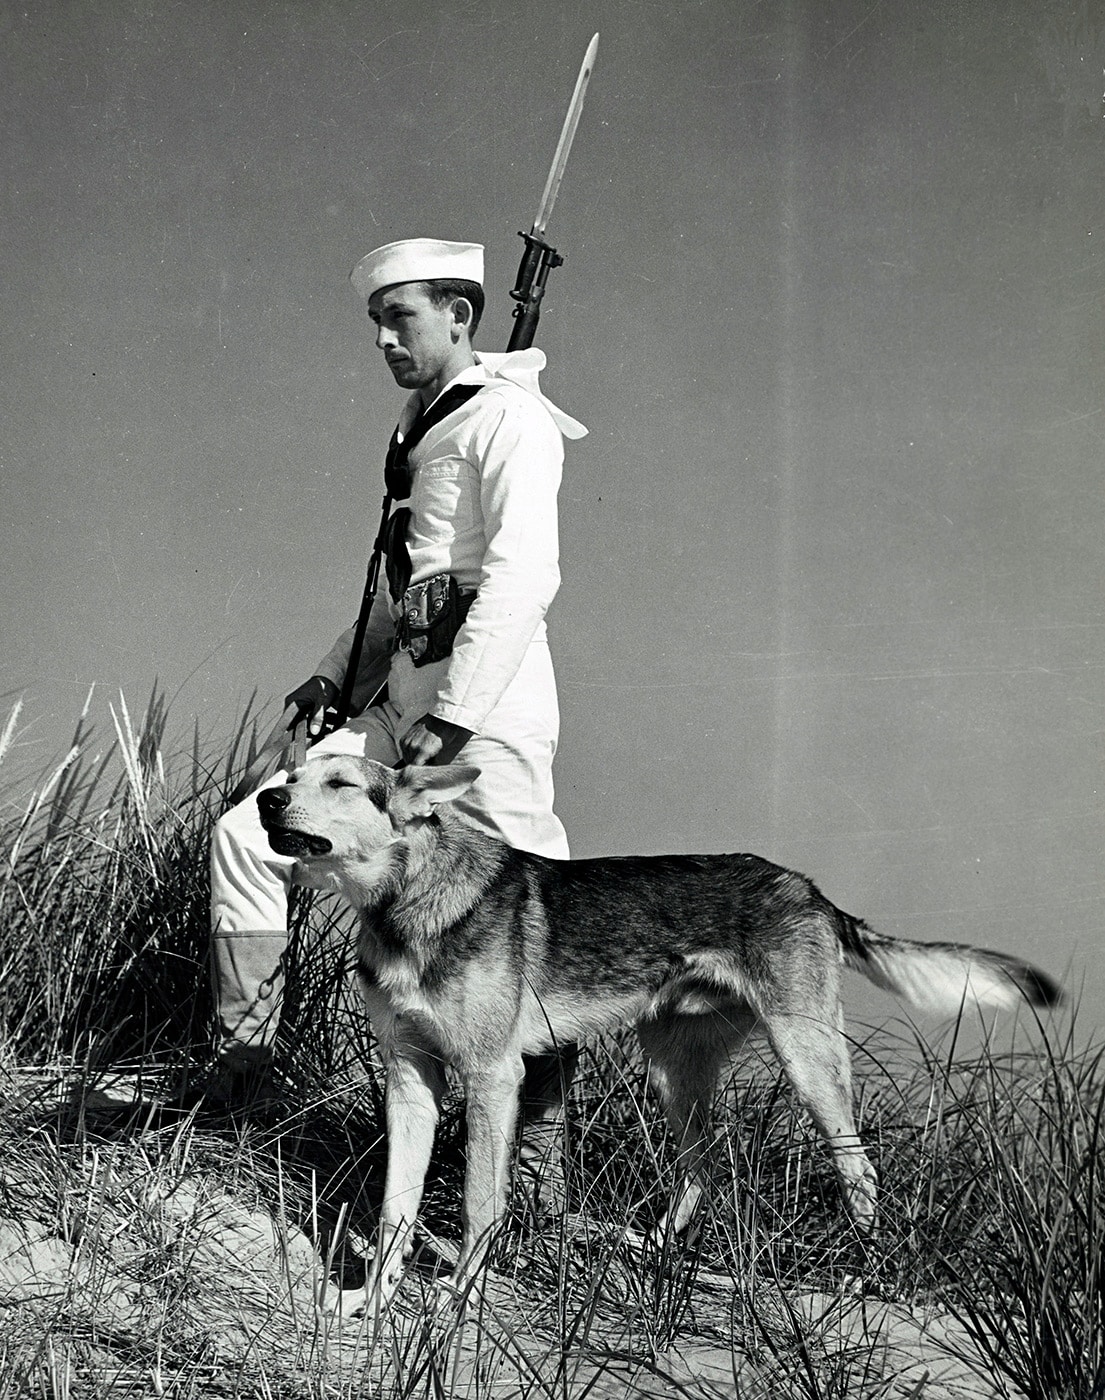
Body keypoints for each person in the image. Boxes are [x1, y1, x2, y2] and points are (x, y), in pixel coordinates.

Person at [206, 236, 586, 1210]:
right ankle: (245, 1072)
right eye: (376, 321)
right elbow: (401, 588)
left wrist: (456, 717)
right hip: (402, 706)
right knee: (250, 835)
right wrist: (333, 670)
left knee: (526, 926)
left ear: (461, 316)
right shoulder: (417, 424)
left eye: (401, 316)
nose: (383, 337)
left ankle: (536, 1182)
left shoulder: (509, 420)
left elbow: (521, 577)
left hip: (487, 716)